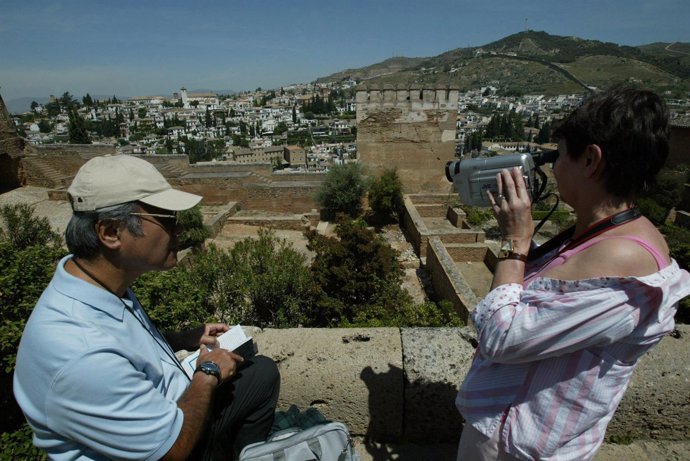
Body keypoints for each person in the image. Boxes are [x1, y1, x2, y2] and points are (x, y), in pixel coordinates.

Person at [455, 84, 690, 461]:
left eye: (560, 156)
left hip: (521, 448)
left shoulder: (622, 257)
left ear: (590, 161)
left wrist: (515, 240)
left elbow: (502, 337)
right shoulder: (603, 232)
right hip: (513, 431)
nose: (554, 167)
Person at [13, 155, 280, 460]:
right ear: (111, 232)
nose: (179, 230)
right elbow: (170, 450)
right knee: (262, 375)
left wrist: (182, 339)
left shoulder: (99, 283)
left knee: (261, 372)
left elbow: (125, 346)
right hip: (169, 441)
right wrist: (207, 373)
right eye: (167, 220)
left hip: (164, 407)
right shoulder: (80, 352)